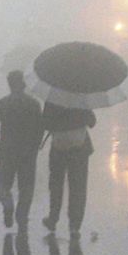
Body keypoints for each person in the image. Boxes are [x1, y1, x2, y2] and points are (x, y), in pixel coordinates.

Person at [0, 70, 44, 229]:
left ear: (9, 84)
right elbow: (41, 127)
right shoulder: (34, 104)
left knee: (3, 184)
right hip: (28, 151)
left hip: (7, 150)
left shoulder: (4, 102)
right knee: (26, 186)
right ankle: (22, 215)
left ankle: (7, 204)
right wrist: (37, 144)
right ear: (24, 84)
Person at [41, 101, 97, 235]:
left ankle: (53, 219)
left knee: (56, 185)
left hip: (58, 148)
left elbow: (45, 123)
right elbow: (92, 122)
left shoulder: (53, 99)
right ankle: (75, 225)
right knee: (78, 186)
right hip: (79, 148)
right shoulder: (81, 98)